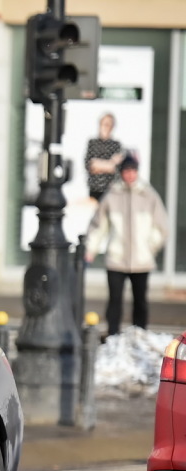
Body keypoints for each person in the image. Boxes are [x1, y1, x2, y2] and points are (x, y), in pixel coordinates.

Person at [85, 154, 169, 336]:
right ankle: (113, 336)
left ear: (137, 172)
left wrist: (150, 246)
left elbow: (162, 227)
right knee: (114, 300)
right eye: (126, 171)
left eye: (133, 171)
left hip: (141, 259)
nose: (129, 175)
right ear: (121, 173)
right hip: (117, 258)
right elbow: (98, 226)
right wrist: (90, 249)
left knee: (140, 301)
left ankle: (140, 335)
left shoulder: (148, 195)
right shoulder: (112, 195)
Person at [84, 113, 124, 202]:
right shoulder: (92, 143)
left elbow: (116, 168)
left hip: (111, 190)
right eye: (104, 124)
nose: (106, 127)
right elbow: (89, 165)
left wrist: (99, 165)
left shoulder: (116, 145)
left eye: (109, 125)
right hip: (95, 190)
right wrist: (109, 163)